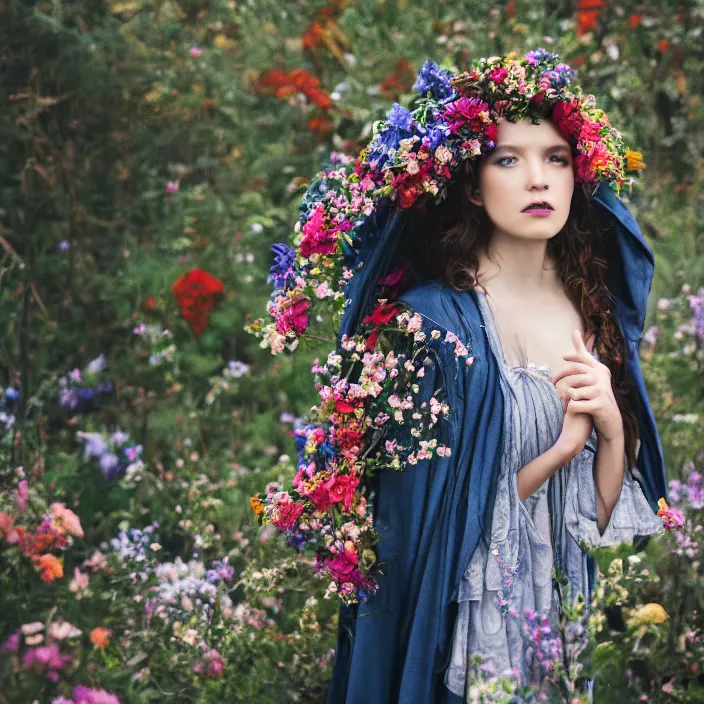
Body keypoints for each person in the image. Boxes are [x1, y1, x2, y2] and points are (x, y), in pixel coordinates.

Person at [247, 49, 670, 703]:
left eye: (556, 157)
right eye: (510, 159)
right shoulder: (435, 327)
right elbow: (439, 534)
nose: (539, 180)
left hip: (558, 626)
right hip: (473, 636)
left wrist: (611, 434)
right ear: (472, 185)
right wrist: (559, 450)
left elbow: (587, 524)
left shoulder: (590, 309)